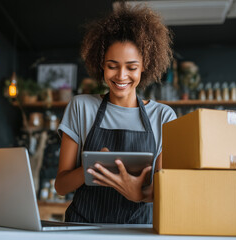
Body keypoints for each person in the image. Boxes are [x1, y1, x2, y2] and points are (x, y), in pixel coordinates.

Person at [55, 4, 176, 224]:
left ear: (144, 66)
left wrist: (138, 194)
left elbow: (166, 190)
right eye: (112, 65)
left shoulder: (163, 117)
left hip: (139, 231)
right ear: (101, 64)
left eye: (131, 67)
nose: (121, 75)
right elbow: (61, 186)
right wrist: (92, 167)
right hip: (83, 228)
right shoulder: (81, 107)